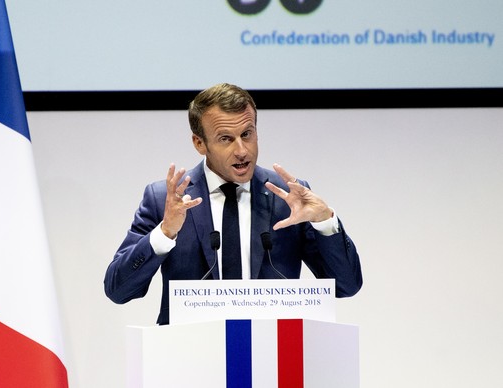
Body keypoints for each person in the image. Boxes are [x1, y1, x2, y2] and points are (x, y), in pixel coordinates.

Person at [104, 83, 362, 325]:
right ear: (199, 143)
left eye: (247, 134)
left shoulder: (288, 197)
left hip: (270, 356)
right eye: (226, 139)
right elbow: (119, 290)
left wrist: (325, 222)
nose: (242, 150)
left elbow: (346, 286)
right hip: (188, 357)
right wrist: (164, 233)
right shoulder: (164, 200)